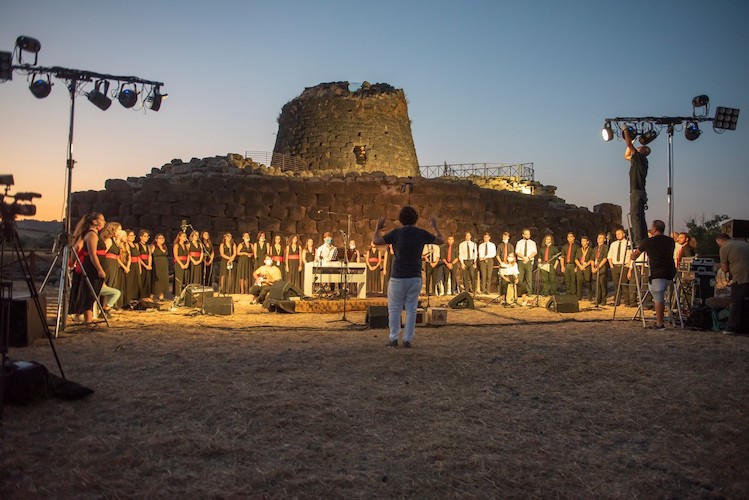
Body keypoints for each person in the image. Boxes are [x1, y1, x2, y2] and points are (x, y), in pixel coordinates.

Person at [374, 206, 443, 348]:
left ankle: (393, 338)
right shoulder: (421, 233)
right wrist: (435, 227)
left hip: (398, 276)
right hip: (414, 276)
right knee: (411, 309)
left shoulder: (396, 233)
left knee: (394, 308)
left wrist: (378, 227)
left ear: (401, 219)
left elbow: (376, 241)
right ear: (416, 219)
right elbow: (440, 240)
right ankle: (407, 339)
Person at [631, 220, 675, 329]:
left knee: (658, 298)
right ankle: (664, 319)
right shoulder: (670, 241)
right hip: (670, 272)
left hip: (657, 271)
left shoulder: (648, 241)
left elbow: (635, 255)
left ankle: (660, 323)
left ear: (654, 229)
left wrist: (633, 255)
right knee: (661, 295)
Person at [68, 212, 108, 324]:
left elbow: (76, 248)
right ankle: (88, 320)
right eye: (102, 219)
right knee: (89, 293)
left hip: (93, 266)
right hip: (92, 267)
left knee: (91, 292)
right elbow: (92, 254)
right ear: (95, 221)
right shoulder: (91, 234)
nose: (104, 222)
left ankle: (87, 319)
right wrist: (100, 269)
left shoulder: (90, 233)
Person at [716, 233, 749, 335]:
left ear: (720, 241)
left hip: (741, 277)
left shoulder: (724, 248)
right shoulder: (744, 244)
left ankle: (731, 328)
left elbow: (725, 269)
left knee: (736, 303)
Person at [623, 126, 651, 247]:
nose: (638, 147)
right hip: (641, 192)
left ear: (642, 151)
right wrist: (632, 143)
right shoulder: (641, 161)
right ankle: (644, 238)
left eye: (640, 147)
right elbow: (626, 155)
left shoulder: (639, 158)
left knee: (635, 216)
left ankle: (639, 241)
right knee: (640, 216)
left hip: (637, 192)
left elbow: (628, 145)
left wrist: (625, 131)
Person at [608, 227, 632, 306]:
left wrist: (629, 264)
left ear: (624, 234)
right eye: (617, 234)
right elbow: (610, 255)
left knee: (624, 284)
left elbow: (632, 255)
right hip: (615, 266)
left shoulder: (628, 243)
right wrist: (611, 265)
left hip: (624, 266)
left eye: (619, 234)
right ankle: (617, 301)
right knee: (616, 285)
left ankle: (627, 301)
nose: (618, 235)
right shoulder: (613, 244)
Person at [515, 228, 537, 294]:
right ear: (523, 235)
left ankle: (529, 292)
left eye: (528, 234)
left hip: (529, 261)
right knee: (520, 277)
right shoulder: (519, 242)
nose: (528, 235)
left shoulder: (532, 243)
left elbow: (534, 252)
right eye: (526, 234)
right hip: (521, 261)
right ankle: (519, 292)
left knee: (529, 278)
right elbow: (517, 251)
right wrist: (523, 257)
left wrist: (528, 258)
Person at [151, 233, 170, 301]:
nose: (162, 239)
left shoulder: (165, 247)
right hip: (156, 264)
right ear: (156, 239)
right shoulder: (153, 246)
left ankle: (161, 296)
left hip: (164, 264)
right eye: (160, 238)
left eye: (163, 238)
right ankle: (151, 296)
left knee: (163, 279)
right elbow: (150, 255)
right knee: (156, 280)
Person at [592, 233, 609, 307]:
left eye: (601, 237)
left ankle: (603, 300)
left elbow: (605, 258)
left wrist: (598, 267)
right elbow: (592, 258)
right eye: (598, 237)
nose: (599, 239)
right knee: (597, 285)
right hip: (595, 267)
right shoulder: (595, 248)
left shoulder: (605, 247)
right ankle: (597, 299)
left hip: (602, 268)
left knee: (603, 285)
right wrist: (593, 267)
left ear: (604, 239)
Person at [574, 236, 593, 301]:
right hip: (580, 267)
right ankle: (579, 296)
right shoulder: (579, 249)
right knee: (579, 282)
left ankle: (589, 297)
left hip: (587, 267)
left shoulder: (591, 250)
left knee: (588, 282)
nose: (583, 242)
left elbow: (591, 259)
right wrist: (579, 266)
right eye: (582, 241)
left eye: (584, 241)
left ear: (587, 241)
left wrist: (585, 266)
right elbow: (576, 259)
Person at [560, 232, 580, 296]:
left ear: (574, 238)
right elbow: (562, 257)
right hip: (566, 265)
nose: (569, 238)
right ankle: (568, 294)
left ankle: (573, 294)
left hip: (573, 265)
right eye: (568, 237)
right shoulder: (564, 247)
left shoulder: (577, 247)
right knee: (567, 281)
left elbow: (578, 258)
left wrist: (577, 267)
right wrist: (562, 266)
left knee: (573, 281)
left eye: (571, 236)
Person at [495, 232, 513, 299]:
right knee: (502, 279)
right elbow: (497, 255)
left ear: (508, 237)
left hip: (509, 264)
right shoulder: (500, 246)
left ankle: (508, 294)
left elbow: (512, 255)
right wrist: (501, 263)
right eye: (504, 237)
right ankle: (501, 294)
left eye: (506, 237)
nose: (505, 238)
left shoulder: (511, 246)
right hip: (502, 263)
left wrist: (509, 262)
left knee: (508, 279)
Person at [172, 231, 190, 297]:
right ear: (179, 237)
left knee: (185, 279)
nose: (185, 237)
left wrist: (187, 263)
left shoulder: (186, 246)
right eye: (184, 236)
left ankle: (184, 295)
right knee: (179, 279)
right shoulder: (176, 245)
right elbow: (176, 256)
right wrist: (181, 264)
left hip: (185, 262)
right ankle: (178, 295)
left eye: (185, 236)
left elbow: (188, 255)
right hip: (179, 263)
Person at [137, 230, 153, 300]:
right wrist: (145, 265)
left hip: (147, 265)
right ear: (140, 237)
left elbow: (149, 255)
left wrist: (149, 265)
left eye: (147, 236)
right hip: (141, 264)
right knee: (142, 280)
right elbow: (138, 257)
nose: (146, 238)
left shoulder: (148, 246)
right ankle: (142, 297)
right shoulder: (137, 245)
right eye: (145, 236)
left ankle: (147, 296)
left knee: (148, 281)